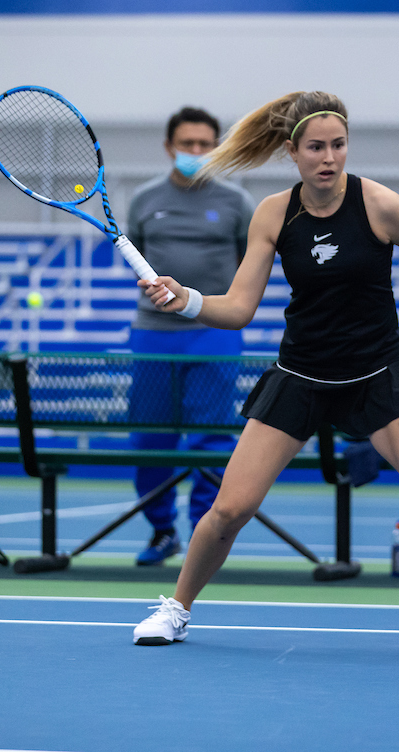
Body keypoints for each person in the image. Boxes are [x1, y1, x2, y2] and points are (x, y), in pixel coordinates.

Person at [130, 90, 399, 644]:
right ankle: (176, 610)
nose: (329, 158)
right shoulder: (274, 213)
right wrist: (187, 300)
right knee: (230, 509)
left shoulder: (381, 205)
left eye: (339, 145)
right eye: (316, 147)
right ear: (292, 151)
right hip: (301, 375)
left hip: (379, 373)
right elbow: (239, 309)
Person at [125, 106, 256, 566]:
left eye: (205, 144)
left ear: (217, 147)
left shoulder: (238, 203)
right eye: (187, 144)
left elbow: (247, 262)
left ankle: (206, 533)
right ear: (169, 147)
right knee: (150, 440)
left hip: (214, 335)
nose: (196, 151)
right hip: (153, 335)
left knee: (211, 440)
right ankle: (162, 530)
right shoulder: (143, 200)